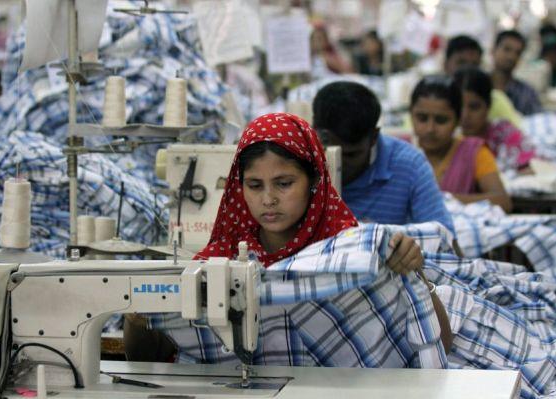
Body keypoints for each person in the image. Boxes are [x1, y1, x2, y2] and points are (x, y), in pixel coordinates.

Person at [125, 112, 452, 361]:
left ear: (314, 181)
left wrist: (416, 276)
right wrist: (136, 317)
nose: (268, 199)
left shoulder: (354, 254)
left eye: (283, 183)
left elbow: (439, 343)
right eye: (254, 185)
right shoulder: (218, 259)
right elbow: (150, 359)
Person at [312, 81, 456, 237]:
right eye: (328, 151)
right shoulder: (299, 162)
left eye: (350, 155)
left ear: (374, 137)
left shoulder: (409, 166)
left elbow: (444, 239)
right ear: (314, 129)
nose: (337, 163)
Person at [409, 75, 512, 212]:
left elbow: (502, 201)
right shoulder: (398, 151)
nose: (430, 129)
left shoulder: (474, 152)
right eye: (422, 118)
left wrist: (444, 199)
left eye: (441, 120)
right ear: (411, 115)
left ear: (458, 120)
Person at [454, 66, 535, 172]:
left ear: (488, 106)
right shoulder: (450, 138)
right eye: (459, 107)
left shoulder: (505, 135)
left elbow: (528, 172)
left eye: (474, 107)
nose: (465, 115)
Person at [443, 35, 522, 128]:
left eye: (474, 64)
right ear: (445, 65)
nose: (468, 69)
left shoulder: (496, 99)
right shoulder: (434, 100)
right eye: (461, 63)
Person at [491, 30, 542, 115]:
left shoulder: (526, 93)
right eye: (507, 49)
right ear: (493, 51)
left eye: (517, 53)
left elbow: (535, 121)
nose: (511, 57)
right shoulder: (477, 86)